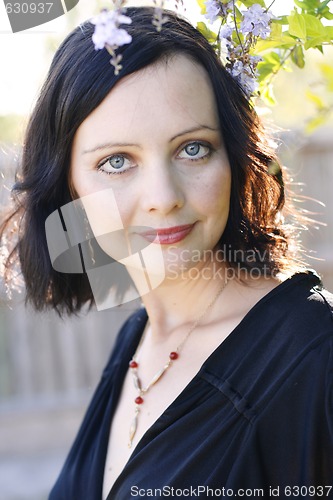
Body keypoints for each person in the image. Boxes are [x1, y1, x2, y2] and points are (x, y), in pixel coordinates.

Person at [1, 5, 333, 500]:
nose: (163, 195)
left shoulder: (313, 359)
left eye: (193, 148)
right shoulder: (136, 341)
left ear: (236, 157)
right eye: (117, 161)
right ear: (68, 186)